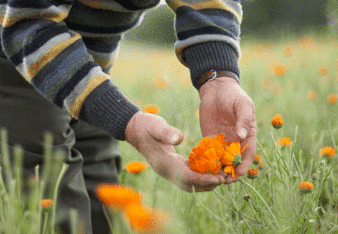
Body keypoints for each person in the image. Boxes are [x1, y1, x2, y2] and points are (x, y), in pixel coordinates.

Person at [0, 0, 256, 233]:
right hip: (17, 46)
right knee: (50, 180)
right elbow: (29, 24)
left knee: (101, 183)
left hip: (89, 56)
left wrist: (217, 76)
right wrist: (125, 120)